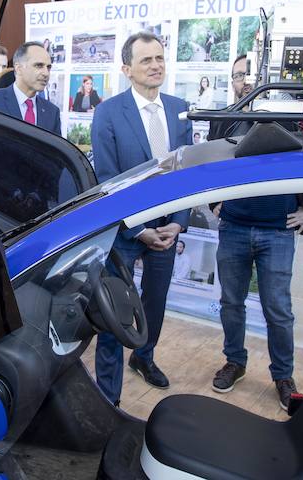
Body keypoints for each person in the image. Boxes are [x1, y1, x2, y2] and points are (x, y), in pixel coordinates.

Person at [207, 52, 303, 411]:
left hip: (277, 231)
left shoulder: (297, 116)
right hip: (233, 228)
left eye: (250, 74)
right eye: (238, 76)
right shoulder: (226, 120)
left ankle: (283, 376)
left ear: (266, 77)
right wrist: (213, 202)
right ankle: (235, 362)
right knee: (231, 303)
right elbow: (208, 163)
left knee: (278, 309)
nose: (244, 80)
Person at [91, 31, 192, 405]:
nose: (155, 65)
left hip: (168, 227)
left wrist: (178, 222)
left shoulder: (179, 109)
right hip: (126, 232)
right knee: (116, 313)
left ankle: (144, 358)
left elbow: (188, 173)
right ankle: (109, 396)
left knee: (155, 303)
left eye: (159, 58)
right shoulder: (108, 112)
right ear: (126, 69)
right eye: (146, 60)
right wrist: (140, 229)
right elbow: (108, 180)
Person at [0, 42, 60, 135]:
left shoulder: (52, 112)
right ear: (18, 68)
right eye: (39, 66)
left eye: (48, 67)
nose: (46, 73)